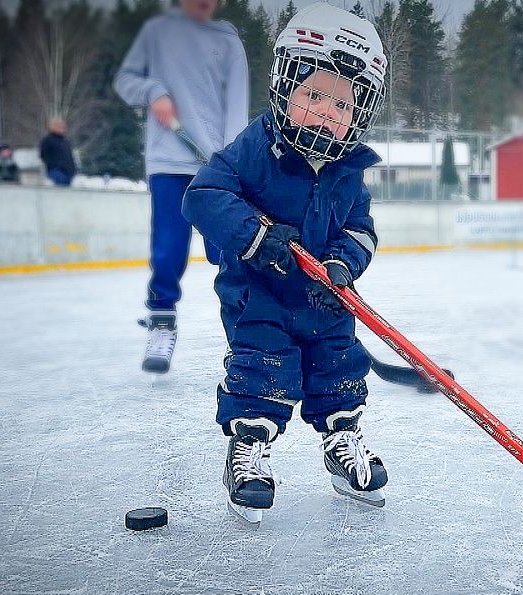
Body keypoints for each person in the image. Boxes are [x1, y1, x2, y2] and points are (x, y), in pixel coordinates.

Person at [182, 4, 388, 524]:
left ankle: (342, 445)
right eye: (313, 94)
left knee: (338, 369)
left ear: (359, 115)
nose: (325, 111)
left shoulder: (349, 171)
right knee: (262, 369)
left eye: (341, 104)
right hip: (261, 295)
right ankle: (248, 452)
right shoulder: (256, 149)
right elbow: (203, 196)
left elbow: (361, 230)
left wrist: (343, 264)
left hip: (325, 298)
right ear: (285, 86)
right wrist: (257, 237)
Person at [114, 0, 248, 374]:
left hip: (217, 169)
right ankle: (161, 321)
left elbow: (237, 109)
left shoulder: (228, 42)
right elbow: (126, 83)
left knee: (230, 254)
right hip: (168, 163)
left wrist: (231, 164)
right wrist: (153, 90)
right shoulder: (158, 33)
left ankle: (247, 335)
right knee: (169, 248)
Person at [38, 117, 77, 187]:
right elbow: (43, 155)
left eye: (63, 127)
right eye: (59, 126)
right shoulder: (48, 140)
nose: (62, 129)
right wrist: (54, 164)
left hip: (68, 172)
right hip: (56, 171)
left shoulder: (65, 141)